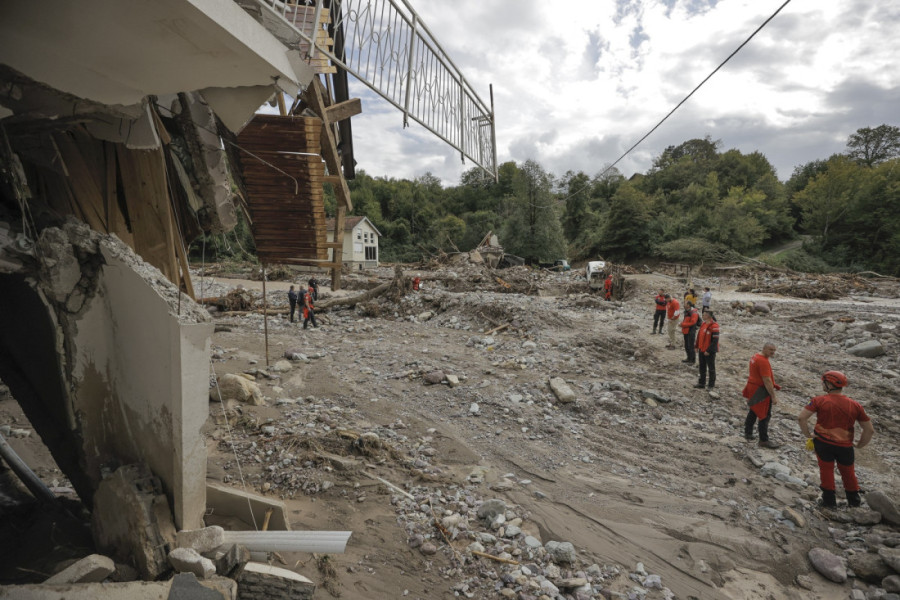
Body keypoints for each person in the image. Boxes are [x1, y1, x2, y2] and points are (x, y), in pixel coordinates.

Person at [798, 371, 875, 508]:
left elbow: (802, 417)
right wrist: (859, 444)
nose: (822, 384)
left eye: (823, 382)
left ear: (829, 384)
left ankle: (829, 502)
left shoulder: (819, 400)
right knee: (848, 471)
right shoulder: (855, 405)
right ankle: (854, 501)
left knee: (826, 470)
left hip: (823, 443)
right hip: (845, 446)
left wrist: (808, 434)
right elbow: (869, 429)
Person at [742, 343, 782, 448]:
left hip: (753, 387)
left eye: (774, 350)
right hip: (760, 389)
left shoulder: (755, 356)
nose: (772, 352)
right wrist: (773, 396)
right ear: (764, 348)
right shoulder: (763, 361)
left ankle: (748, 432)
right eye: (770, 350)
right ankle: (763, 440)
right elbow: (767, 380)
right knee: (764, 414)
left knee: (754, 410)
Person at [694, 311, 719, 389]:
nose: (702, 316)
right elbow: (699, 336)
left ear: (708, 316)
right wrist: (696, 346)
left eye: (704, 315)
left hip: (709, 351)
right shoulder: (703, 324)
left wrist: (709, 350)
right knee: (702, 367)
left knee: (711, 368)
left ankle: (711, 385)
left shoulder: (714, 326)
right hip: (701, 349)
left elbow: (715, 341)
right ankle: (702, 383)